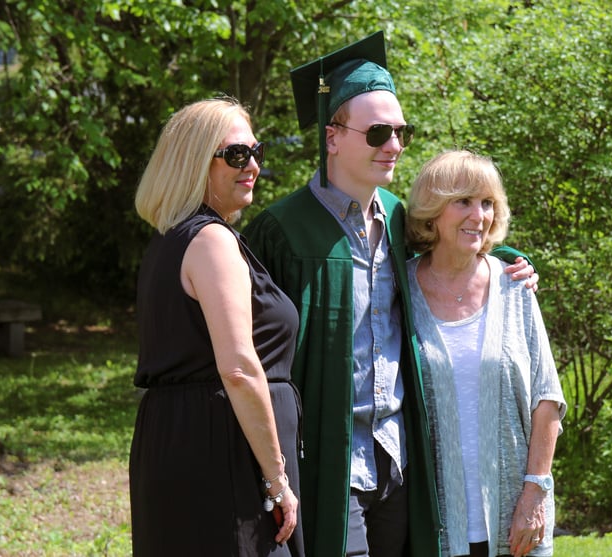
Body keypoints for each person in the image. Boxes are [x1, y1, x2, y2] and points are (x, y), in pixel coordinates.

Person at [243, 32, 537, 557]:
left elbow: (459, 244)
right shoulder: (280, 231)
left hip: (401, 462)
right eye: (379, 132)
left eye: (402, 131)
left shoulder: (403, 218)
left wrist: (514, 259)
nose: (394, 145)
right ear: (332, 136)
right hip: (327, 461)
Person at [130, 97, 304, 557]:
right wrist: (276, 478)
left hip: (182, 439)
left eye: (255, 153)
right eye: (235, 155)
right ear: (193, 161)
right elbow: (241, 369)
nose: (252, 166)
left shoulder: (171, 240)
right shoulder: (210, 241)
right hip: (222, 450)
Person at [405, 150, 567, 557]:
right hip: (435, 526)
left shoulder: (515, 287)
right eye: (463, 201)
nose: (479, 215)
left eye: (487, 203)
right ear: (432, 211)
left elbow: (547, 399)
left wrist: (535, 495)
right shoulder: (399, 290)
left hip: (517, 523)